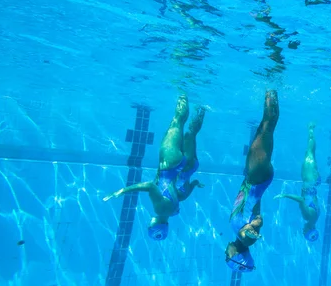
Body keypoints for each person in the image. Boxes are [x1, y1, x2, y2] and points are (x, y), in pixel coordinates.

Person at [103, 94, 205, 241]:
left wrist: (194, 184)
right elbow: (150, 186)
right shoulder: (160, 209)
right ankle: (184, 88)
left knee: (191, 132)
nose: (149, 223)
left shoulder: (174, 210)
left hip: (178, 167)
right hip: (169, 164)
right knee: (177, 121)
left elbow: (179, 194)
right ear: (154, 225)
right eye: (149, 225)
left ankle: (202, 107)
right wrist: (123, 190)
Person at [225, 90, 279, 272]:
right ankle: (272, 84)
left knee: (262, 129)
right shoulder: (245, 238)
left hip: (252, 180)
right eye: (227, 256)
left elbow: (253, 211)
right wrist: (252, 227)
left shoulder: (237, 234)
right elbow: (257, 223)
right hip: (257, 180)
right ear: (235, 256)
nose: (226, 252)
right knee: (267, 126)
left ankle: (271, 87)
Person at [273, 122, 321, 241]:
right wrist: (284, 195)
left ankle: (311, 131)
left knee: (310, 153)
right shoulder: (308, 217)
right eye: (304, 232)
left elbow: (313, 199)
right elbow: (301, 200)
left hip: (313, 182)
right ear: (309, 230)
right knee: (309, 153)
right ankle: (310, 129)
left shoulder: (316, 217)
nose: (302, 230)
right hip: (309, 180)